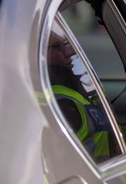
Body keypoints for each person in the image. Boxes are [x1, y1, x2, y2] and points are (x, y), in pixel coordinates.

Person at [48, 31, 113, 162]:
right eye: (58, 47)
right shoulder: (61, 103)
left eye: (65, 45)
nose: (68, 53)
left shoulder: (70, 92)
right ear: (39, 55)